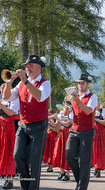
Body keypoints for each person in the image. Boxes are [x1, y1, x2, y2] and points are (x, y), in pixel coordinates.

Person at [3, 55, 51, 190]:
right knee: (17, 155)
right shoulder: (22, 83)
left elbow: (40, 97)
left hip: (38, 126)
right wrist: (8, 82)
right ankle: (25, 185)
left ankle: (32, 188)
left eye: (31, 65)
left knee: (35, 161)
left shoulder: (45, 83)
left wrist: (25, 81)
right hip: (23, 125)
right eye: (26, 66)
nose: (27, 68)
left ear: (39, 67)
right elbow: (7, 96)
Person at [65, 74, 98, 190]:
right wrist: (66, 104)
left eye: (82, 83)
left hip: (87, 130)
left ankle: (82, 186)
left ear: (88, 84)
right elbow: (66, 113)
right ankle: (80, 179)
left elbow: (88, 111)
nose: (80, 85)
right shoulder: (74, 96)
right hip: (74, 129)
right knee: (69, 156)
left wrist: (77, 100)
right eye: (79, 83)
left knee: (85, 160)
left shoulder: (93, 97)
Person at [0, 83, 19, 189]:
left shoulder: (14, 98)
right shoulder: (2, 100)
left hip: (11, 125)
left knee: (9, 152)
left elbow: (11, 113)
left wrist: (1, 105)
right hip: (2, 125)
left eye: (5, 91)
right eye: (2, 91)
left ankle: (10, 180)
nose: (3, 93)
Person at [52, 107, 72, 181]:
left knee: (67, 153)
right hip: (61, 133)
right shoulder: (60, 114)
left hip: (68, 133)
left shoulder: (72, 114)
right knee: (58, 152)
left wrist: (58, 119)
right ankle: (62, 172)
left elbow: (67, 124)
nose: (66, 108)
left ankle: (68, 174)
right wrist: (49, 121)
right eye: (65, 106)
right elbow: (56, 125)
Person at [92, 98, 105, 177]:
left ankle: (99, 169)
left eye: (97, 104)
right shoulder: (92, 111)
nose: (96, 106)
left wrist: (95, 119)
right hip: (93, 131)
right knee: (94, 150)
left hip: (101, 131)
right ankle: (95, 167)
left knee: (100, 150)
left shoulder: (104, 111)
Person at [43, 108, 60, 172]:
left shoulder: (56, 120)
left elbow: (57, 130)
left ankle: (51, 167)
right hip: (47, 136)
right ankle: (49, 166)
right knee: (47, 151)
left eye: (50, 114)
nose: (48, 116)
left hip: (53, 136)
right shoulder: (47, 120)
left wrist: (50, 127)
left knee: (51, 151)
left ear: (53, 114)